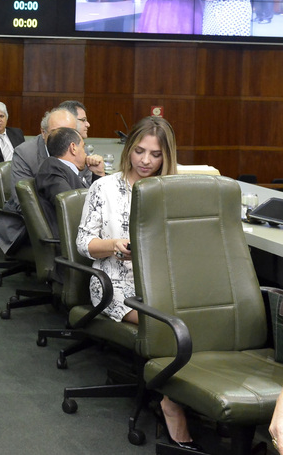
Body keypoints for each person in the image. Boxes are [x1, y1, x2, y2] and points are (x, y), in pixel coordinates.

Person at [76, 116, 200, 451]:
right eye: (139, 151)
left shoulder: (172, 191)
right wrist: (115, 245)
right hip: (114, 282)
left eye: (156, 154)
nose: (146, 160)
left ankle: (192, 396)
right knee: (169, 327)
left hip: (163, 282)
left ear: (166, 157)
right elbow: (83, 243)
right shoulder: (104, 187)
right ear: (128, 149)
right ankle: (171, 402)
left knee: (204, 321)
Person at [0, 107, 78, 256]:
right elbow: (22, 202)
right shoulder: (26, 153)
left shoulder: (78, 149)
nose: (64, 139)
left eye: (70, 132)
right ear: (43, 133)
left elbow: (85, 188)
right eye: (56, 132)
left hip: (73, 219)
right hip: (34, 224)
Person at [35, 127, 88, 237]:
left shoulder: (66, 169)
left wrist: (98, 174)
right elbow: (68, 205)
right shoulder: (52, 168)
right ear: (73, 148)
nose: (86, 153)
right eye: (83, 147)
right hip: (73, 236)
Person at [57, 100, 105, 184]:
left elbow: (88, 187)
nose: (88, 124)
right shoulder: (40, 152)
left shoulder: (83, 150)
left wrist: (98, 173)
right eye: (83, 120)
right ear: (69, 120)